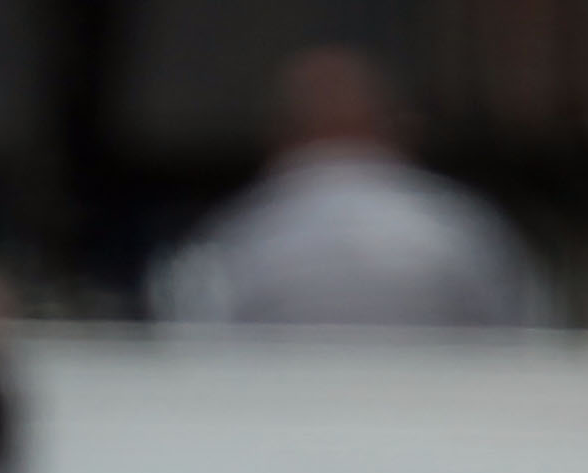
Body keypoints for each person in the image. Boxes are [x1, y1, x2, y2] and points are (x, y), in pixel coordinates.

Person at [152, 48, 548, 333]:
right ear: (393, 127)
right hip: (440, 420)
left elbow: (190, 350)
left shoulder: (236, 235)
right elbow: (528, 340)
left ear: (281, 132)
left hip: (282, 421)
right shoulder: (463, 229)